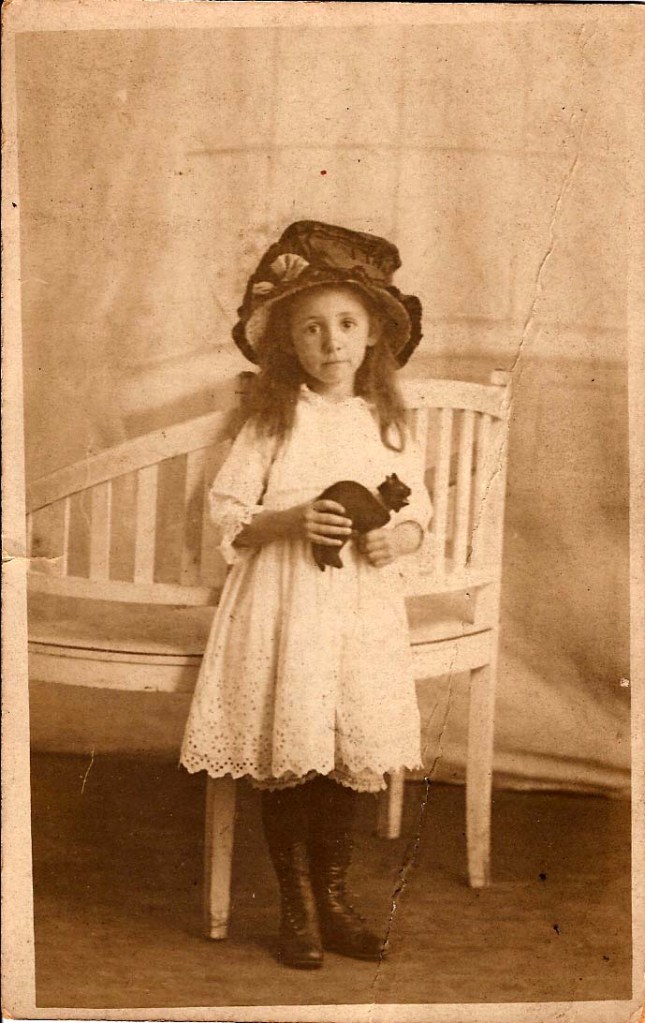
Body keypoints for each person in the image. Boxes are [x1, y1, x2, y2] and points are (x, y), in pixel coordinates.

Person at [180, 221, 432, 969]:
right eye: (312, 328)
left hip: (360, 610)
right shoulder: (273, 419)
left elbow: (417, 507)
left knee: (347, 749)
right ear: (289, 342)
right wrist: (289, 519)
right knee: (292, 754)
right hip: (286, 605)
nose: (331, 342)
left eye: (346, 324)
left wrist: (401, 538)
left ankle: (334, 899)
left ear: (373, 333)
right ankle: (296, 909)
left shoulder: (387, 422)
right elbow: (228, 512)